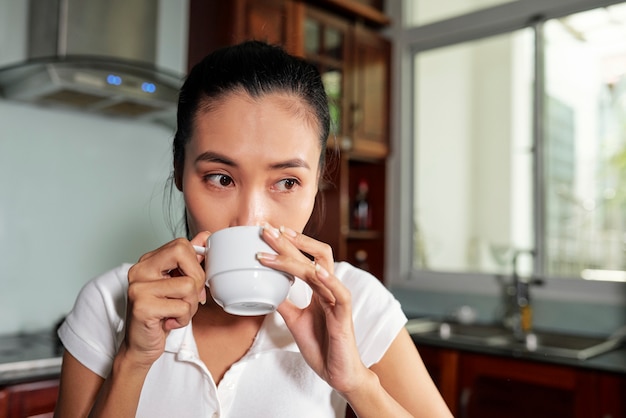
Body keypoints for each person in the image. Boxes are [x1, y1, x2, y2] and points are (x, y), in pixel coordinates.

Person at [54, 40, 452, 418]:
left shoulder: (354, 304)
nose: (250, 220)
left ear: (316, 183)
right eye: (221, 178)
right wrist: (132, 361)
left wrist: (356, 384)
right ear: (179, 170)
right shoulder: (110, 302)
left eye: (287, 182)